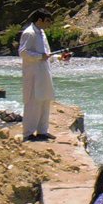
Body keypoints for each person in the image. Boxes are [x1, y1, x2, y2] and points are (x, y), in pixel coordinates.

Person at [18, 9, 70, 141]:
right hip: (33, 73)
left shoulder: (42, 33)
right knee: (33, 102)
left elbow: (47, 54)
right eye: (47, 21)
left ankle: (42, 131)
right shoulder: (29, 33)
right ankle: (28, 133)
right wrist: (40, 56)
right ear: (39, 20)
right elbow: (23, 53)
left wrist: (59, 57)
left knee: (45, 100)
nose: (49, 23)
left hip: (44, 73)